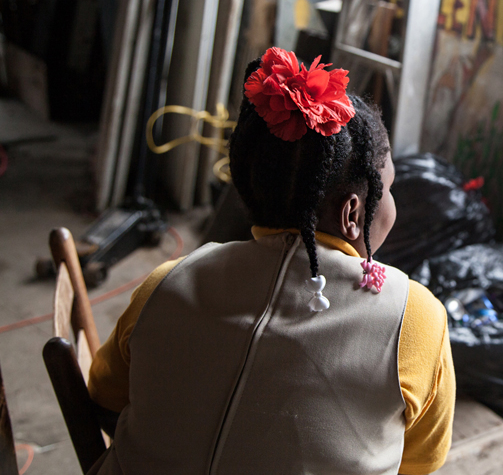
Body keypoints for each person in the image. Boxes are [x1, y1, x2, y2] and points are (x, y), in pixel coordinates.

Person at [87, 47, 456, 475]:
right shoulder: (415, 320)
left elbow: (105, 395)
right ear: (353, 214)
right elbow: (420, 461)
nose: (392, 203)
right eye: (388, 188)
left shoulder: (165, 285)